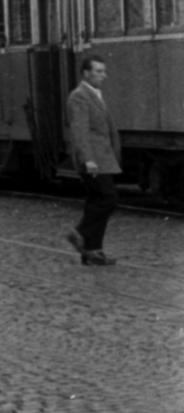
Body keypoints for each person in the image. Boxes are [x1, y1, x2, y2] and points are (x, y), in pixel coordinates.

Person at [65, 54, 122, 266]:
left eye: (104, 71)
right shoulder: (79, 96)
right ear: (86, 73)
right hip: (94, 159)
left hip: (102, 158)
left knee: (96, 201)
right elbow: (80, 132)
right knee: (109, 198)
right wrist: (88, 159)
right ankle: (79, 233)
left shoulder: (94, 94)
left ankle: (92, 251)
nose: (103, 76)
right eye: (98, 71)